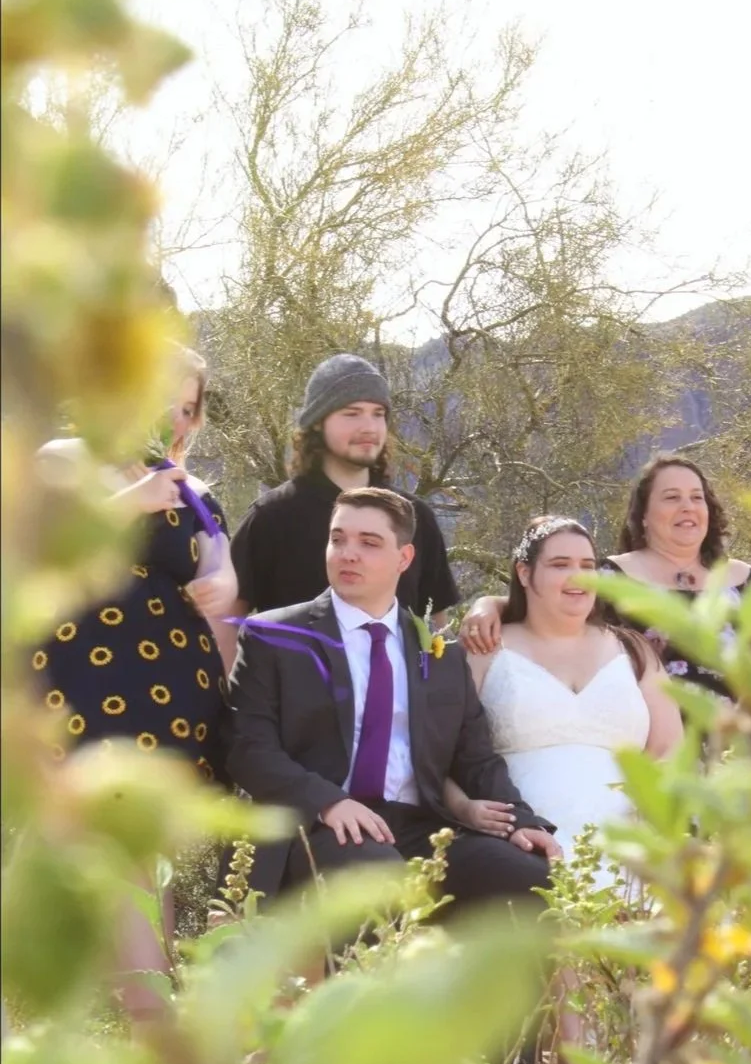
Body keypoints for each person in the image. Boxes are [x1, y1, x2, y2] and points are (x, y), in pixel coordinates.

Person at [226, 488, 561, 915]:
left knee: (532, 878)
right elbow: (247, 747)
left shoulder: (440, 654)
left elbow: (475, 758)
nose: (348, 553)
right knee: (376, 875)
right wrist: (328, 801)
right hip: (318, 823)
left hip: (420, 826)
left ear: (404, 559)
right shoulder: (274, 636)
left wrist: (523, 821)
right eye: (338, 539)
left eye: (369, 543)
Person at [31, 344, 239, 1016]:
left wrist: (223, 585)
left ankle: (145, 1015)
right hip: (80, 689)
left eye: (186, 408)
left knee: (145, 860)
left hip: (180, 701)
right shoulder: (61, 460)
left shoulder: (197, 494)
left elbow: (223, 596)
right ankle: (147, 1015)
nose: (172, 420)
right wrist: (129, 501)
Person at [446, 517, 682, 889]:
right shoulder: (483, 649)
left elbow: (669, 746)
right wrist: (465, 809)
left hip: (632, 839)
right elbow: (437, 751)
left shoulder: (633, 650)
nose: (578, 578)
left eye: (587, 567)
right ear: (525, 573)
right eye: (560, 565)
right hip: (521, 841)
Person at [458, 453, 751, 700]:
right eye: (672, 497)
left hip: (740, 755)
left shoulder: (749, 582)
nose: (687, 507)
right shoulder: (611, 577)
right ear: (643, 516)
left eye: (697, 497)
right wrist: (487, 606)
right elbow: (546, 604)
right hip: (646, 750)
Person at [230, 354, 459, 628]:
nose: (369, 427)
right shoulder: (271, 517)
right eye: (352, 413)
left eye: (378, 414)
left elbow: (437, 627)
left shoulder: (413, 517)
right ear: (317, 421)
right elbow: (226, 621)